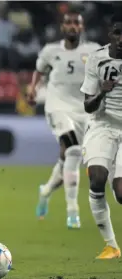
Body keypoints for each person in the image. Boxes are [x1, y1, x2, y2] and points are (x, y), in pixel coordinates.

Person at [27, 9, 101, 228]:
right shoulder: (51, 51)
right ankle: (72, 211)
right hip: (57, 106)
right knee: (73, 151)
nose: (72, 27)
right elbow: (39, 71)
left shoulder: (94, 50)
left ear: (82, 27)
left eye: (76, 23)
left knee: (67, 158)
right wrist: (32, 90)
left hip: (84, 111)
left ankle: (47, 190)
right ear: (62, 27)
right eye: (68, 23)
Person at [80, 13, 122, 259]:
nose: (121, 38)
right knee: (96, 178)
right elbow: (88, 106)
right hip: (101, 125)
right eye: (118, 32)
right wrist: (102, 93)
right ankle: (111, 246)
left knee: (120, 192)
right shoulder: (97, 59)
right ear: (110, 34)